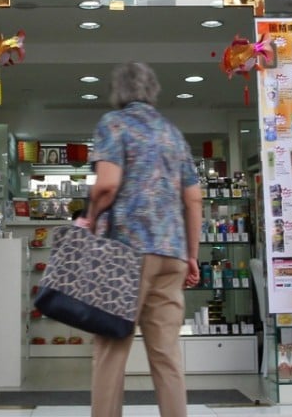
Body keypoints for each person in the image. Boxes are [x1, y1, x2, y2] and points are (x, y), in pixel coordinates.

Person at [76, 62, 202, 417]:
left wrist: (91, 217)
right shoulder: (172, 133)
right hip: (172, 254)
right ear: (152, 91)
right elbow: (194, 199)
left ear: (119, 92)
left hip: (125, 256)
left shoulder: (113, 124)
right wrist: (191, 254)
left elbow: (106, 185)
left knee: (111, 351)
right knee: (167, 356)